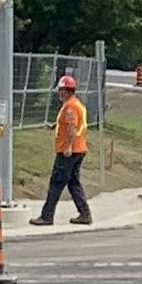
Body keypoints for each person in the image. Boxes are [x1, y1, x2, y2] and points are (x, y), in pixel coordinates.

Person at [38, 72, 92, 224]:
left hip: (69, 151)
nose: (59, 93)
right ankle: (85, 214)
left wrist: (67, 147)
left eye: (61, 91)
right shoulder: (76, 105)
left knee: (56, 182)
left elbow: (72, 128)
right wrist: (54, 127)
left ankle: (46, 216)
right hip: (79, 149)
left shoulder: (70, 107)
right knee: (73, 182)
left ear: (68, 91)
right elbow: (69, 124)